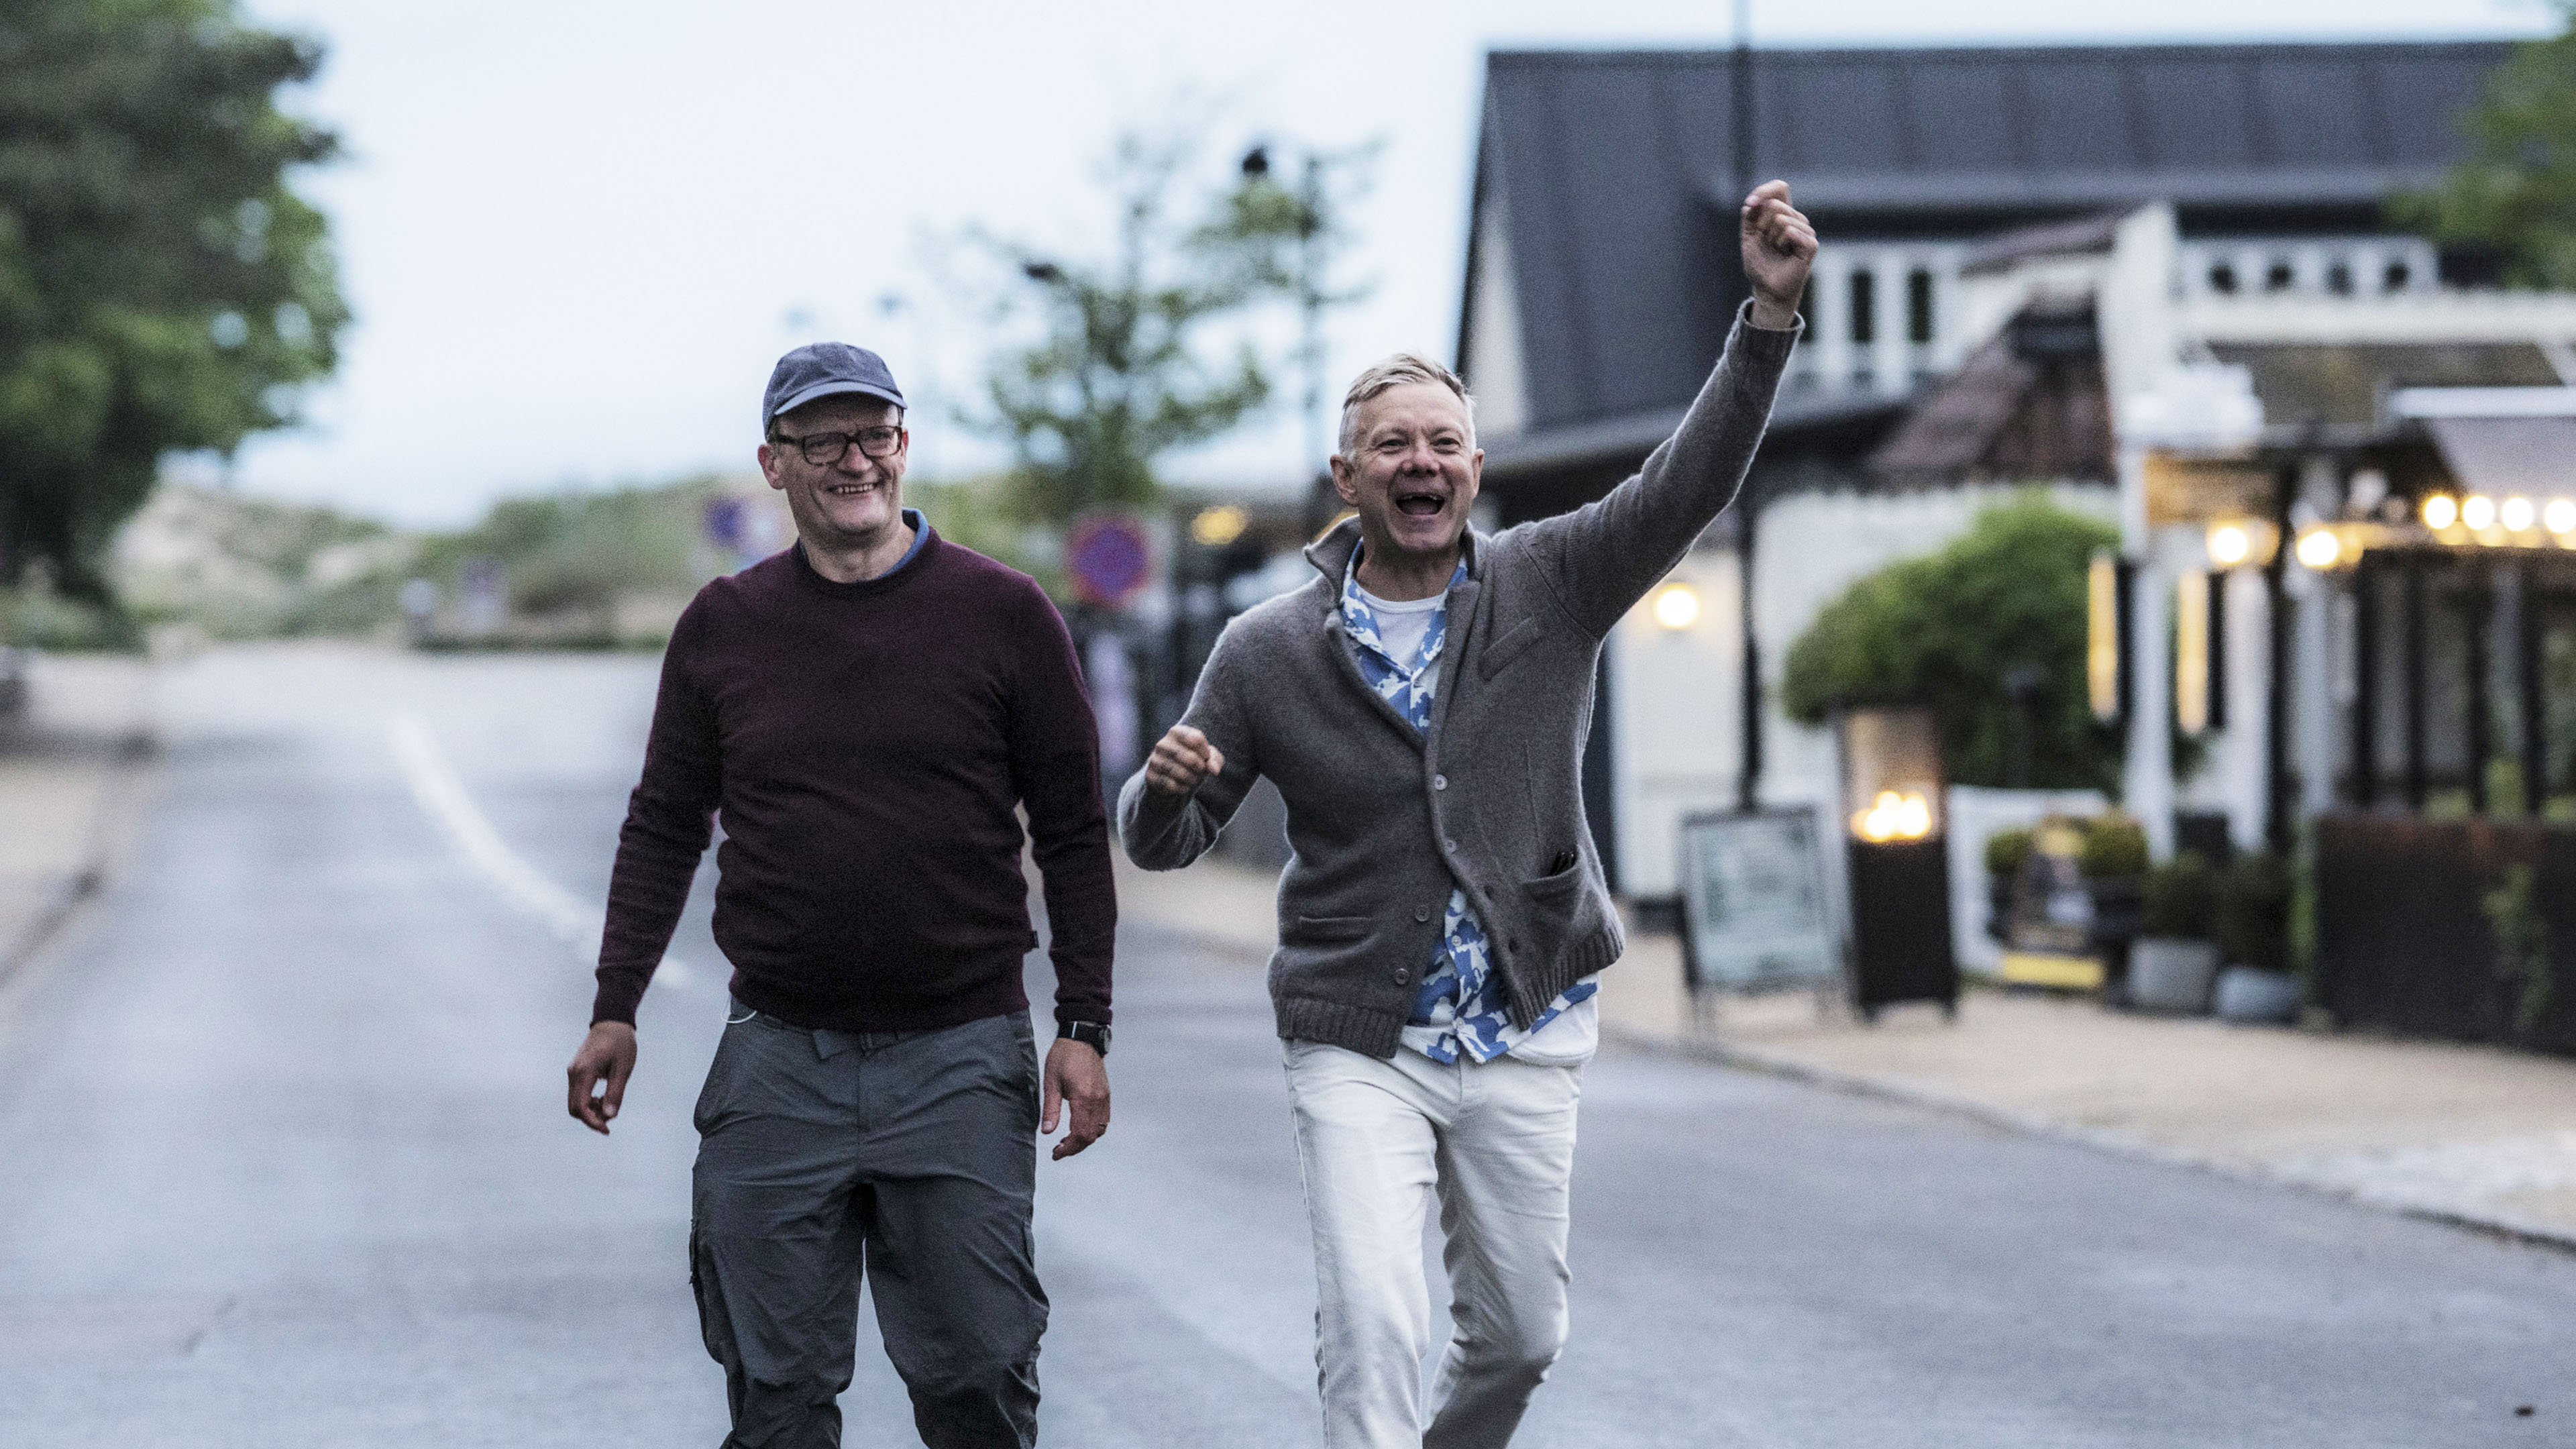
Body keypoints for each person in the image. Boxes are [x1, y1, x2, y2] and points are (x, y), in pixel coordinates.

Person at [1120, 181, 1816, 1448]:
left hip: (1526, 1019)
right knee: (1378, 1323)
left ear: (1476, 470)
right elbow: (1169, 843)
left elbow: (1687, 483)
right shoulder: (1267, 648)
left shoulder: (1555, 582)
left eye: (1443, 443)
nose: (1420, 463)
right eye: (1392, 445)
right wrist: (1156, 795)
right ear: (1348, 476)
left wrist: (1766, 320)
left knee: (1520, 1339)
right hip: (1358, 1037)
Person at [565, 341, 1118, 1449]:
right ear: (775, 465)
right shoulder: (724, 628)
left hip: (961, 1055)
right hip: (779, 1061)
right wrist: (615, 1002)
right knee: (776, 1400)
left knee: (978, 1383)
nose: (854, 460)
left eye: (874, 435)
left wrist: (1086, 1025)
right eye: (824, 441)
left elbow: (1070, 828)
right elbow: (667, 823)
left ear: (904, 447)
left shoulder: (1005, 615)